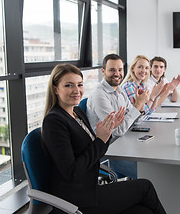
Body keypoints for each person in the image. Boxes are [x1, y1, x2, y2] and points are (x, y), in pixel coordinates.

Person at [41, 63, 166, 214]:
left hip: (90, 188)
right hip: (75, 199)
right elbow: (72, 171)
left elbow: (95, 151)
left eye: (79, 84)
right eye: (68, 85)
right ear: (56, 89)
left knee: (144, 211)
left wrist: (108, 134)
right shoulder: (54, 121)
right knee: (145, 187)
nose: (76, 90)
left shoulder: (78, 113)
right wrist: (100, 140)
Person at [87, 54, 149, 179]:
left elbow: (135, 121)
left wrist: (140, 107)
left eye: (120, 70)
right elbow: (118, 131)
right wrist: (137, 106)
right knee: (150, 172)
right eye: (112, 70)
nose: (117, 73)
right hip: (110, 153)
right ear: (103, 71)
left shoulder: (119, 91)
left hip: (125, 145)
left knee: (153, 161)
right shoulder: (99, 95)